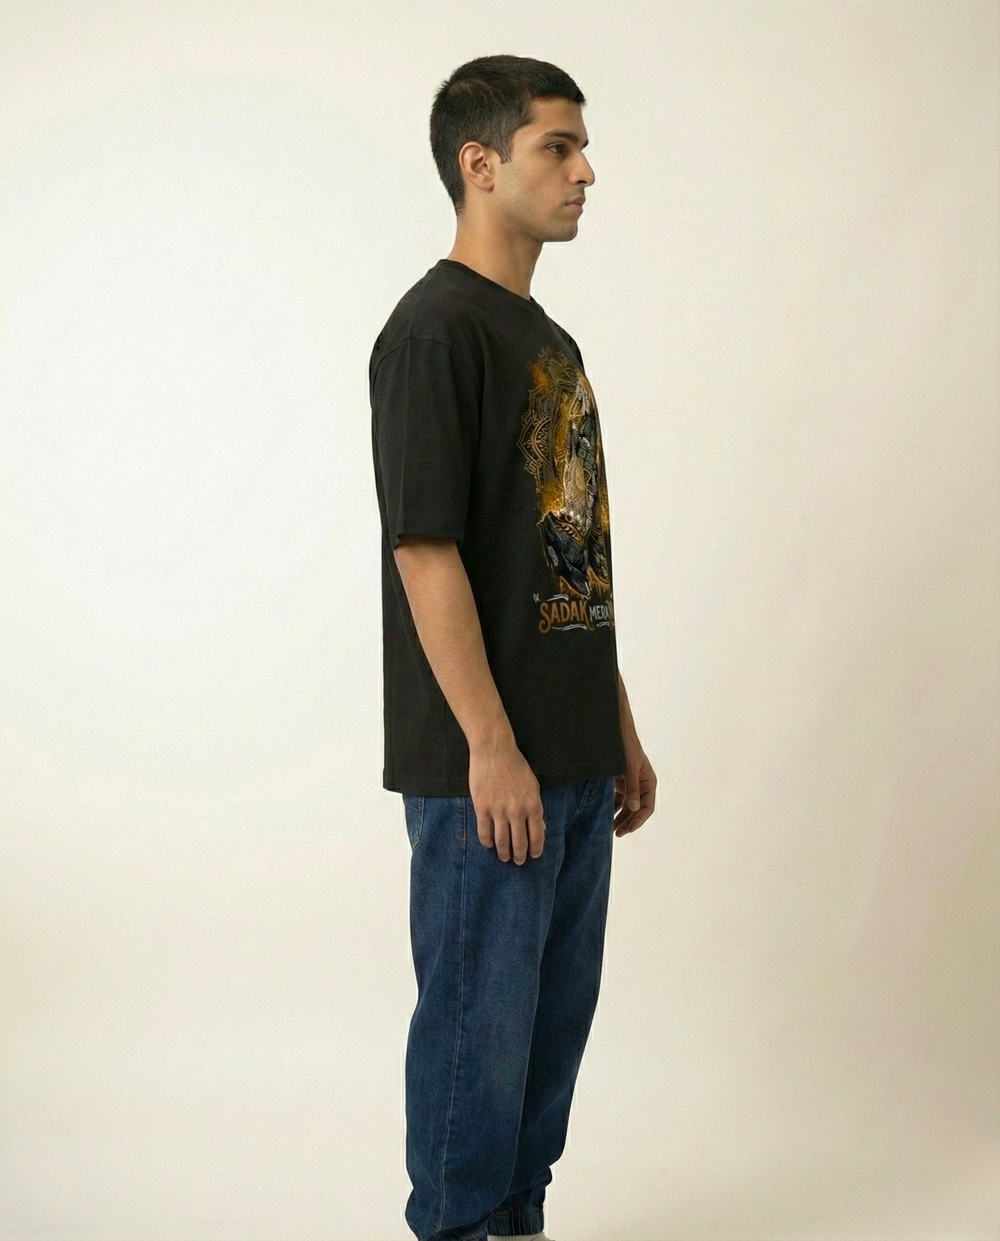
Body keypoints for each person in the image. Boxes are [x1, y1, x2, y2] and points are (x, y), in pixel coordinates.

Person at [369, 53, 656, 1241]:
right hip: (489, 761)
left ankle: (515, 1221)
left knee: (546, 1030)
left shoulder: (551, 342)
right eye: (557, 146)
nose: (585, 171)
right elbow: (423, 547)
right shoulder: (433, 332)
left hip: (573, 753)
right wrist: (490, 744)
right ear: (479, 164)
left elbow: (566, 550)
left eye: (582, 147)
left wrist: (617, 725)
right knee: (474, 1037)